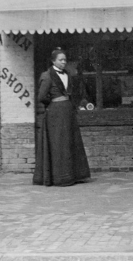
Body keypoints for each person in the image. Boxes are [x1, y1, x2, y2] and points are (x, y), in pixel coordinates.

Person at [33, 48, 91, 186]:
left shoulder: (67, 75)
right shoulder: (47, 76)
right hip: (55, 115)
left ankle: (73, 176)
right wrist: (53, 105)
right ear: (53, 61)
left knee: (70, 143)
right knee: (58, 145)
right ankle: (59, 178)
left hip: (68, 113)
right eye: (60, 60)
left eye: (65, 60)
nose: (64, 62)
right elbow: (41, 97)